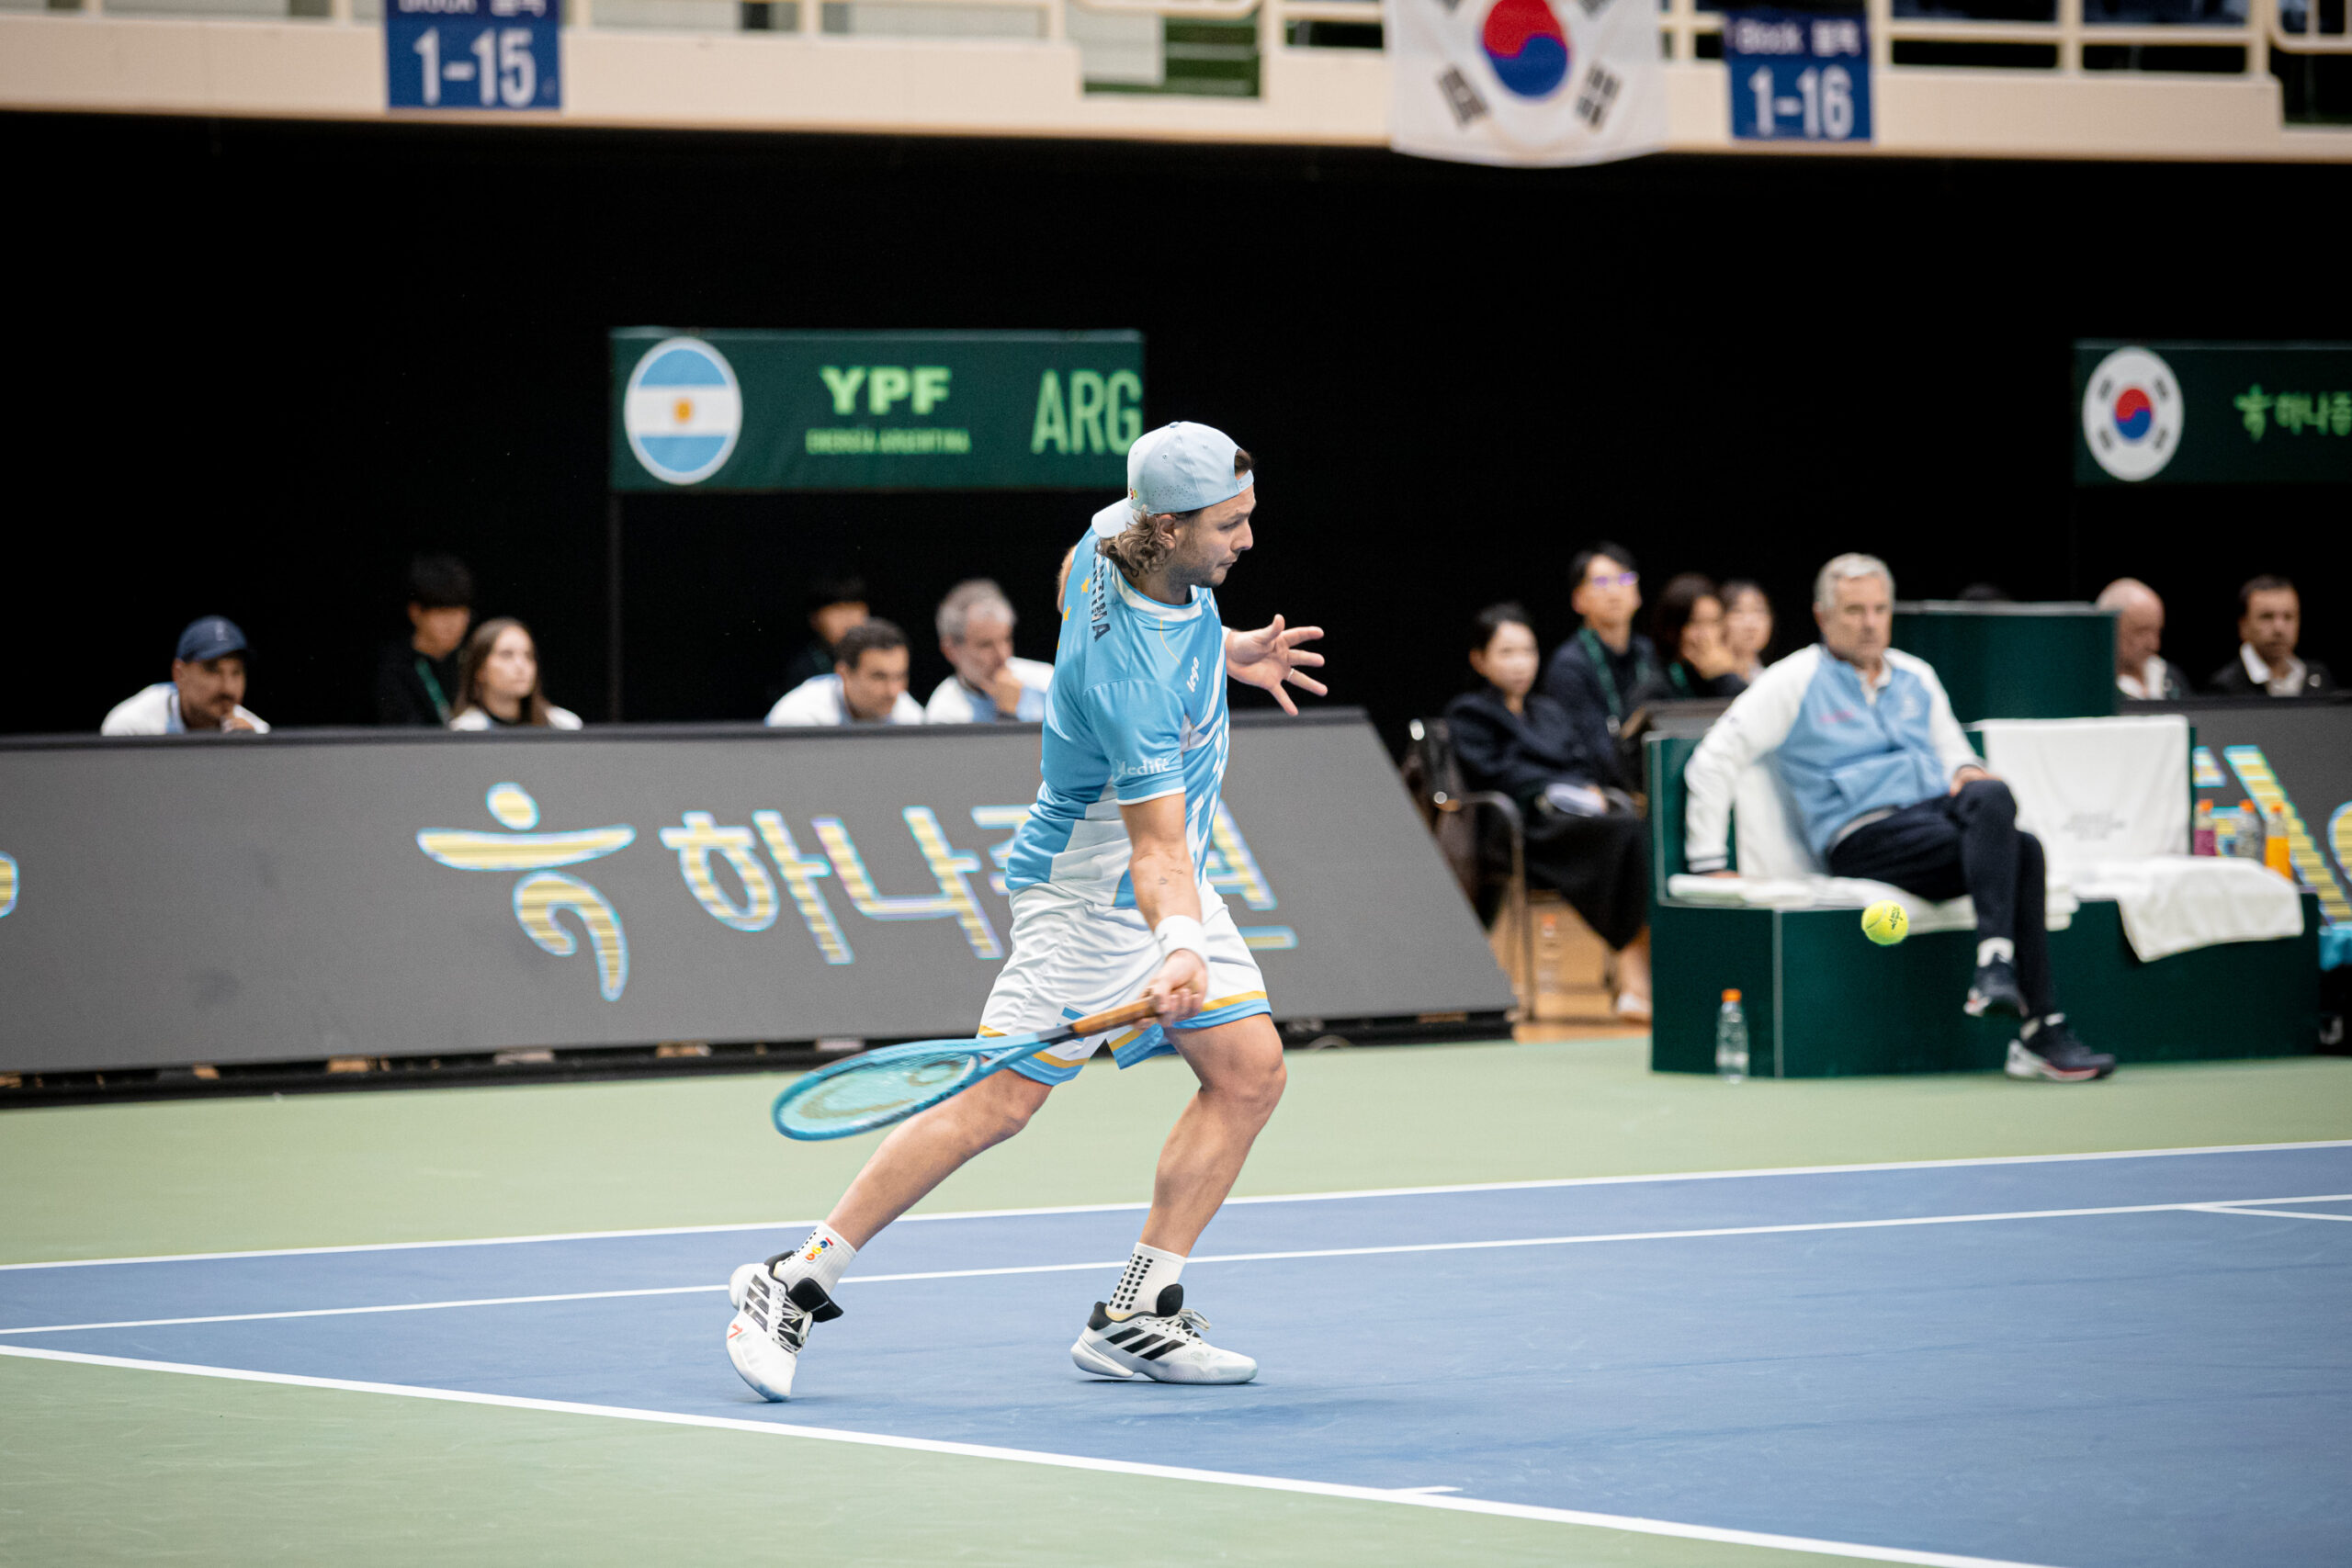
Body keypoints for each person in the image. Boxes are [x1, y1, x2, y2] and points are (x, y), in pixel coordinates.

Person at [725, 421, 1326, 1401]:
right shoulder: (1128, 685)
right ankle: (792, 1279)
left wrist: (1221, 647)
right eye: (1230, 524)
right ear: (1168, 528)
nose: (1247, 539)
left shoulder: (1110, 535)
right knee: (996, 1103)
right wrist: (1178, 944)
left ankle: (1136, 1312)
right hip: (1091, 896)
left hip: (1161, 881)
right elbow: (1155, 852)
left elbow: (1074, 587)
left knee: (1249, 1072)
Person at [1683, 553, 2115, 1084]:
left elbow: (1957, 758)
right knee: (2022, 850)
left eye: (1879, 609)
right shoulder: (1792, 680)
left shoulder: (1917, 676)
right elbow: (1714, 758)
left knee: (1999, 802)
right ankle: (2039, 1026)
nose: (1869, 623)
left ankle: (1998, 973)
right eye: (1854, 611)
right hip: (1863, 837)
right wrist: (1707, 862)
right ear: (1822, 616)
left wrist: (1967, 772)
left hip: (1934, 821)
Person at [1445, 604, 1652, 1020]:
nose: (1521, 663)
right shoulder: (1470, 713)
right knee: (1619, 835)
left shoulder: (1550, 712)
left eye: (1528, 651)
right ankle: (1634, 977)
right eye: (1507, 652)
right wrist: (1551, 789)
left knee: (1633, 828)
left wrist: (1582, 790)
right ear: (1480, 660)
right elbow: (1496, 774)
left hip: (1573, 823)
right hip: (1522, 829)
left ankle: (1637, 976)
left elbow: (1580, 762)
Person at [1540, 542, 1661, 794]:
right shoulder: (1568, 665)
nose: (1614, 591)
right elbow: (1587, 747)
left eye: (1624, 579)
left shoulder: (1650, 653)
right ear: (1578, 599)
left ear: (1637, 594)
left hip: (1656, 777)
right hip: (1606, 790)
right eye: (1602, 582)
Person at [102, 616, 271, 735]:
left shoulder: (256, 734)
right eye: (213, 670)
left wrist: (248, 758)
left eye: (236, 672)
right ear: (179, 674)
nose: (227, 687)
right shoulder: (133, 728)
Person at [924, 578, 1052, 723]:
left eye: (1006, 639)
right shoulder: (944, 714)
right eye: (985, 645)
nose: (1002, 656)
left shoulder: (1045, 680)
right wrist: (1007, 714)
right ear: (950, 651)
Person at [375, 554, 474, 726]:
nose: (452, 624)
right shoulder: (394, 668)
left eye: (460, 612)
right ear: (415, 613)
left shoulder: (472, 660)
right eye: (442, 612)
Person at [765, 619, 925, 726]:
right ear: (844, 673)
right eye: (879, 677)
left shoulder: (910, 715)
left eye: (900, 676)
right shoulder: (800, 716)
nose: (893, 691)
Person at [2207, 575, 2335, 697]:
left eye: (2288, 617)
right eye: (2267, 617)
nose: (2279, 628)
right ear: (2243, 626)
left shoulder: (2318, 677)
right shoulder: (2225, 687)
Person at [447, 617, 583, 729]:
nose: (521, 665)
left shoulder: (563, 725)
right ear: (480, 669)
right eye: (507, 655)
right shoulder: (465, 731)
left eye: (528, 655)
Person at [1650, 573, 1747, 700]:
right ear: (1672, 629)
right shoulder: (1656, 682)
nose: (1707, 635)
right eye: (1695, 622)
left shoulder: (1727, 677)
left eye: (1714, 622)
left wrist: (1725, 676)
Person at [2095, 578, 2191, 701]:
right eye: (2141, 632)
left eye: (2157, 631)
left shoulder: (2173, 679)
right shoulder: (2093, 688)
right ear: (2109, 630)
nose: (2154, 645)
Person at [776, 574, 871, 694]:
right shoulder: (800, 670)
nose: (848, 621)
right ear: (814, 618)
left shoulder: (881, 659)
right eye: (837, 610)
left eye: (855, 609)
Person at [1720, 579, 1775, 685]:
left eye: (1759, 611)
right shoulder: (1711, 676)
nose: (1750, 625)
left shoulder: (1774, 678)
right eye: (1738, 611)